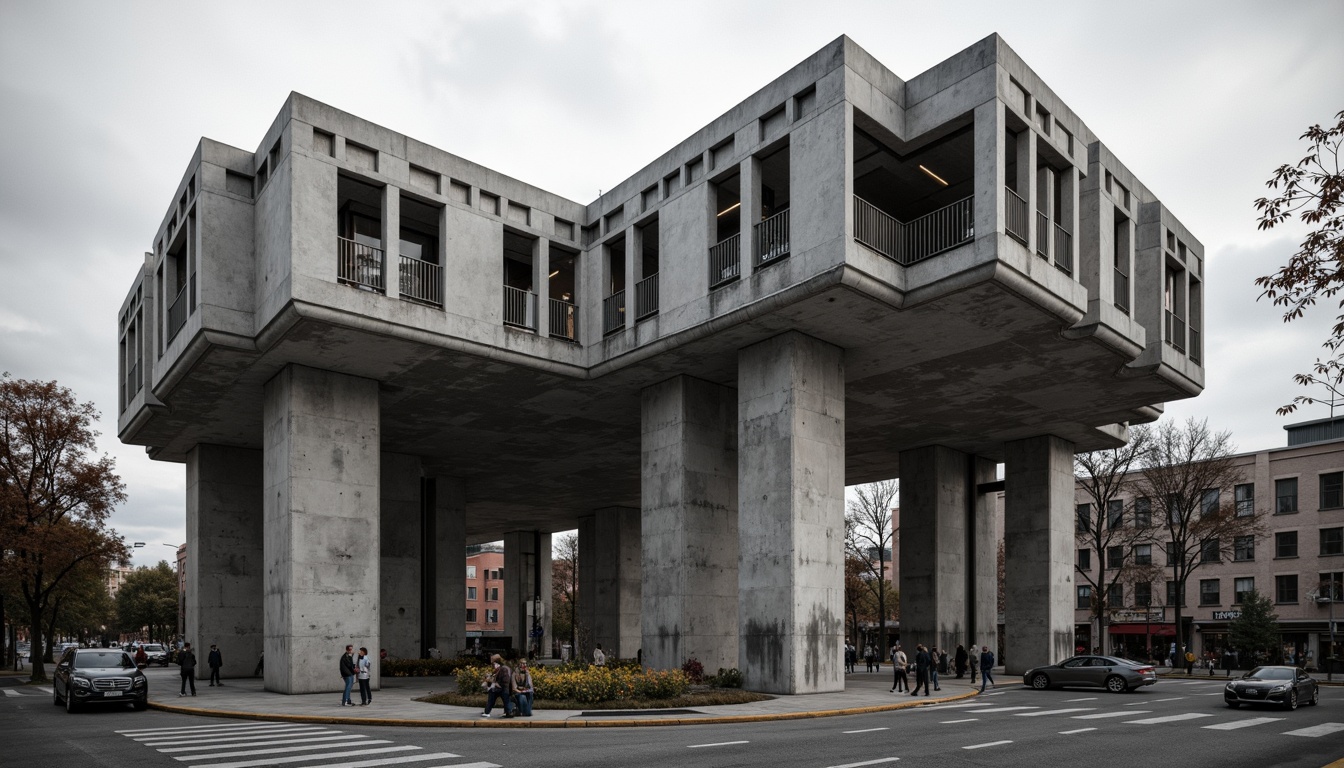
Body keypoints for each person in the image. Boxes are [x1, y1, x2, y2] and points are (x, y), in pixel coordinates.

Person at [482, 654, 515, 718]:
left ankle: (487, 712)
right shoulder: (504, 668)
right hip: (505, 688)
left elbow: (505, 680)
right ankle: (508, 712)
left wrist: (495, 682)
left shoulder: (503, 668)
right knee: (506, 700)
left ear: (496, 662)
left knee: (492, 697)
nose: (492, 664)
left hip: (501, 688)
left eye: (493, 662)